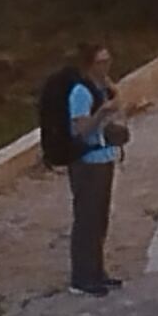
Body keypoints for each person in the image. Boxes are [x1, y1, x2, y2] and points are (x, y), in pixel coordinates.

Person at [63, 44, 128, 295]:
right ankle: (82, 277)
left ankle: (97, 271)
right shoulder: (81, 93)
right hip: (87, 163)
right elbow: (80, 130)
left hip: (104, 159)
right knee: (86, 220)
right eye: (101, 62)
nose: (106, 67)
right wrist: (101, 113)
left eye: (108, 61)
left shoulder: (103, 88)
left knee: (99, 219)